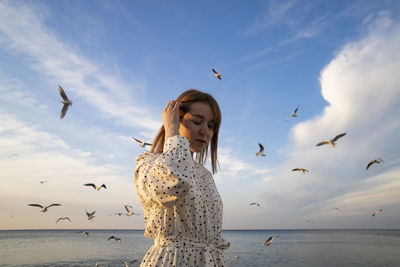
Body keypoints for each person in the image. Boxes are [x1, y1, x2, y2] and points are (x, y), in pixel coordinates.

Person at [134, 89, 229, 267]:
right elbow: (170, 185)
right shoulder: (149, 163)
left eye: (210, 125)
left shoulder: (205, 175)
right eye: (197, 121)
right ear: (176, 120)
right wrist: (171, 130)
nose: (205, 132)